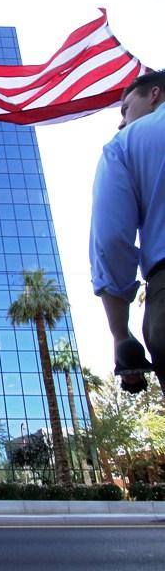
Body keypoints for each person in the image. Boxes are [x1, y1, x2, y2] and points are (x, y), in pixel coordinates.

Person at [90, 70, 165, 395]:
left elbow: (111, 240)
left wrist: (121, 335)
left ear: (154, 95)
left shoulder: (124, 145)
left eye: (124, 108)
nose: (121, 120)